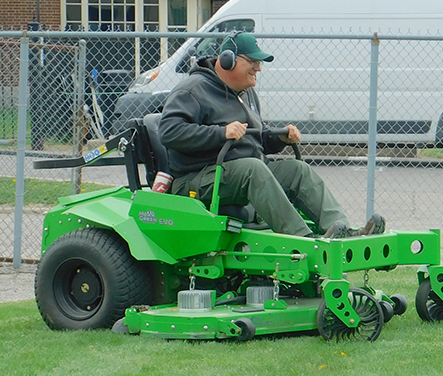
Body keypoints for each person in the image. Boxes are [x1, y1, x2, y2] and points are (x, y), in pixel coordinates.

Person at [158, 32, 383, 238]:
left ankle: (341, 230)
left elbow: (257, 139)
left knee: (297, 170)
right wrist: (220, 133)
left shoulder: (246, 94)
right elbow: (169, 132)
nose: (259, 68)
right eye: (253, 62)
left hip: (240, 173)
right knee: (253, 169)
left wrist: (280, 138)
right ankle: (303, 239)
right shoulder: (192, 90)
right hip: (197, 180)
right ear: (228, 60)